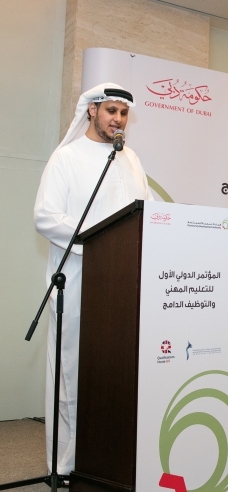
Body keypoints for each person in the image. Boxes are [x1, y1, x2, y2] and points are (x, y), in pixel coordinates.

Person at [34, 83, 154, 476]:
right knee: (74, 371)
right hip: (79, 279)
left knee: (117, 370)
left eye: (124, 113)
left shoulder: (131, 159)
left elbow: (147, 211)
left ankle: (111, 459)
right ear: (92, 111)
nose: (118, 119)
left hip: (125, 282)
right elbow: (46, 217)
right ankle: (67, 465)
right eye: (111, 111)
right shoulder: (66, 157)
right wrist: (99, 243)